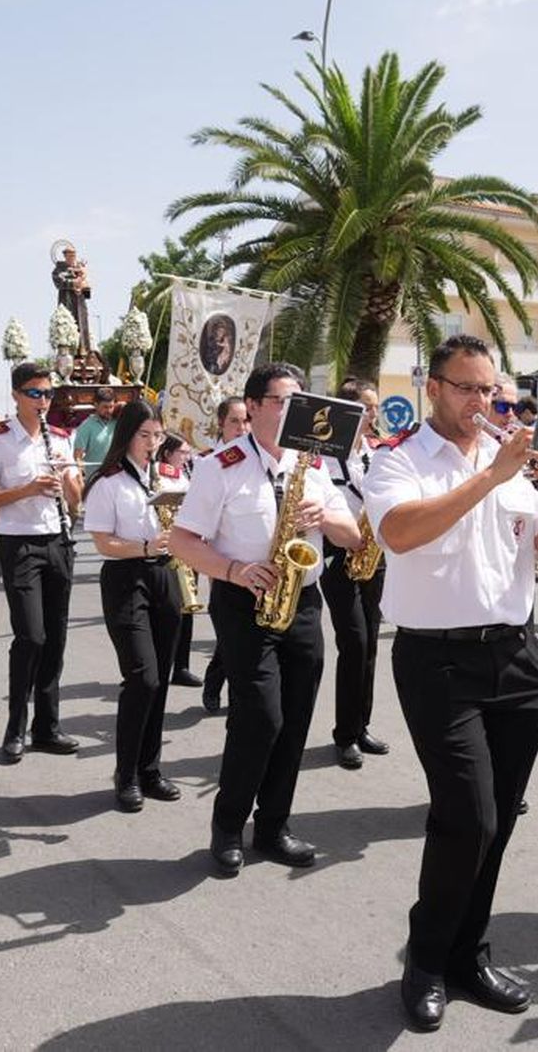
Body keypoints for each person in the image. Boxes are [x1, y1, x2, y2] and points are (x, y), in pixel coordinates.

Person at [363, 334, 538, 1031]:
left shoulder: (512, 461)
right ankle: (425, 960)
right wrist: (490, 477)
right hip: (438, 661)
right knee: (467, 816)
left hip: (516, 655)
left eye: (491, 391)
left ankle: (467, 953)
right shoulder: (400, 460)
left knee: (499, 820)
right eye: (467, 387)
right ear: (433, 387)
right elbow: (399, 532)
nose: (481, 403)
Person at [171, 363, 361, 875]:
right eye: (282, 401)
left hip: (303, 600)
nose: (294, 411)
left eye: (299, 402)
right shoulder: (221, 465)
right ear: (252, 407)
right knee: (260, 718)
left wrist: (327, 519)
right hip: (244, 601)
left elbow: (353, 535)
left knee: (296, 718)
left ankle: (274, 825)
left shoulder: (315, 465)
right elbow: (182, 541)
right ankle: (229, 824)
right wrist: (233, 569)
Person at [0, 363, 84, 764]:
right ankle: (15, 726)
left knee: (55, 638)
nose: (43, 401)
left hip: (59, 540)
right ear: (17, 395)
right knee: (31, 637)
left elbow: (75, 498)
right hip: (20, 544)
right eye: (35, 393)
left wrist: (70, 481)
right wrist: (27, 489)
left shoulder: (59, 439)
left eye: (48, 394)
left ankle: (47, 726)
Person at [85, 399, 185, 812]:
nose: (152, 443)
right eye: (144, 435)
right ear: (127, 436)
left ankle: (150, 769)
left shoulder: (168, 477)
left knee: (161, 679)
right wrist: (144, 545)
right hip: (126, 578)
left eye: (157, 436)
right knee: (142, 678)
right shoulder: (108, 481)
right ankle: (125, 773)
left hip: (165, 576)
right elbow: (102, 541)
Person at [319, 378, 391, 770]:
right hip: (338, 555)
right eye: (368, 407)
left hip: (372, 553)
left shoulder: (376, 452)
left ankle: (361, 724)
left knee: (371, 645)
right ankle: (344, 734)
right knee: (355, 643)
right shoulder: (326, 455)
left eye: (376, 407)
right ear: (349, 411)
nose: (374, 415)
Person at [197, 396, 248, 715]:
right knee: (229, 634)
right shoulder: (209, 462)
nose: (242, 428)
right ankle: (215, 684)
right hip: (221, 564)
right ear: (221, 424)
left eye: (247, 421)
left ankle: (240, 697)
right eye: (235, 422)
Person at [157, 434, 204, 688]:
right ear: (167, 454)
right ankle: (164, 664)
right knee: (170, 612)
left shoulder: (185, 473)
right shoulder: (160, 473)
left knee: (187, 610)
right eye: (182, 452)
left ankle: (181, 666)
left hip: (188, 547)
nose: (187, 457)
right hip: (167, 547)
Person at [73, 387, 119, 481]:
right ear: (96, 405)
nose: (109, 411)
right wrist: (81, 477)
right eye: (105, 407)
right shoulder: (86, 426)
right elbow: (78, 456)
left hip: (116, 477)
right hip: (94, 479)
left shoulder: (118, 422)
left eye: (111, 407)